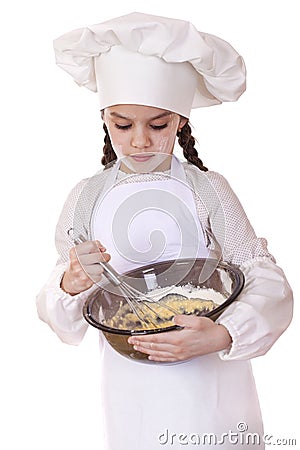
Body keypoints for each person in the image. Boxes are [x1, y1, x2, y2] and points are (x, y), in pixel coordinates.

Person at [36, 12, 293, 450]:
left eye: (158, 125)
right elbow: (60, 316)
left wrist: (223, 333)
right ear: (104, 119)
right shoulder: (87, 197)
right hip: (131, 392)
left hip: (213, 392)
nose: (139, 141)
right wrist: (71, 281)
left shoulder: (206, 190)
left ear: (180, 122)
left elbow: (264, 276)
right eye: (122, 124)